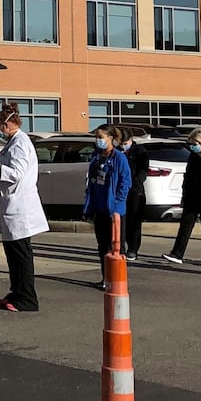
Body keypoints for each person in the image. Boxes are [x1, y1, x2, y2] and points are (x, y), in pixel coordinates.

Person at [0, 103, 48, 312]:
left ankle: (27, 298)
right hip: (12, 205)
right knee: (13, 254)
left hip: (20, 207)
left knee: (21, 255)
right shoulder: (13, 142)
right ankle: (17, 292)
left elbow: (16, 173)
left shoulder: (20, 143)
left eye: (0, 126)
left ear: (9, 124)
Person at [83, 124, 131, 290]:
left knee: (115, 246)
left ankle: (117, 279)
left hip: (115, 210)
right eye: (96, 137)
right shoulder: (96, 157)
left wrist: (117, 205)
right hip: (99, 208)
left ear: (110, 138)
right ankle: (106, 277)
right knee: (102, 246)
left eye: (101, 137)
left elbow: (125, 183)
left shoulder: (119, 158)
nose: (98, 140)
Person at [164, 129, 201, 267]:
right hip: (192, 197)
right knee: (185, 225)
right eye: (191, 143)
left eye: (194, 143)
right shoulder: (193, 157)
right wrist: (184, 195)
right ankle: (177, 253)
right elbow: (188, 177)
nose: (192, 146)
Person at [121, 127, 149, 260]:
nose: (123, 146)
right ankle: (121, 247)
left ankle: (133, 249)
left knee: (134, 221)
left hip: (134, 191)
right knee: (122, 221)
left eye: (125, 143)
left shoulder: (139, 151)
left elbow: (143, 171)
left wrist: (135, 184)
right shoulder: (118, 152)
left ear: (130, 140)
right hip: (121, 191)